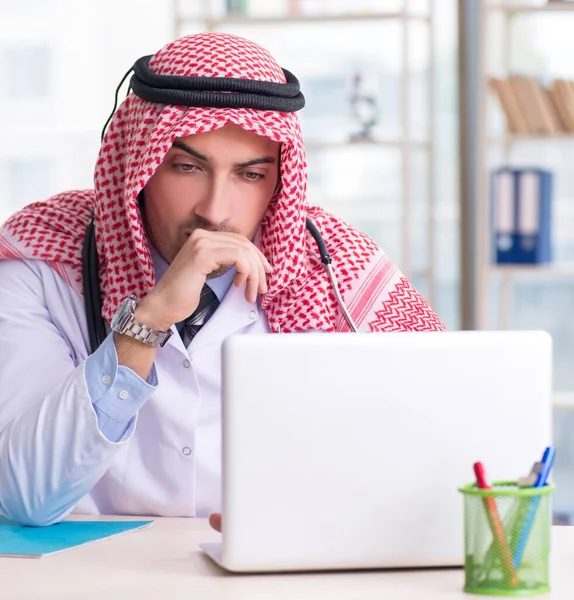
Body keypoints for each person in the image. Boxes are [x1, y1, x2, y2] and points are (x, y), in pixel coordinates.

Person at [0, 32, 445, 529]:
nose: (214, 211)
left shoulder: (339, 273)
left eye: (250, 175)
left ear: (280, 182)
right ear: (137, 164)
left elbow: (431, 462)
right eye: (187, 167)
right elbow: (23, 497)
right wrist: (146, 323)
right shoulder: (40, 260)